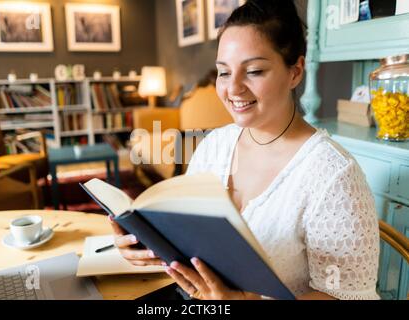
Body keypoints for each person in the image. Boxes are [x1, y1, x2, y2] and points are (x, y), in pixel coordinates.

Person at [110, 0, 380, 300]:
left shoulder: (332, 175)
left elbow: (345, 296)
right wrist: (149, 245)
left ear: (295, 72)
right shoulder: (213, 146)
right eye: (224, 73)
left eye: (253, 71)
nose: (234, 88)